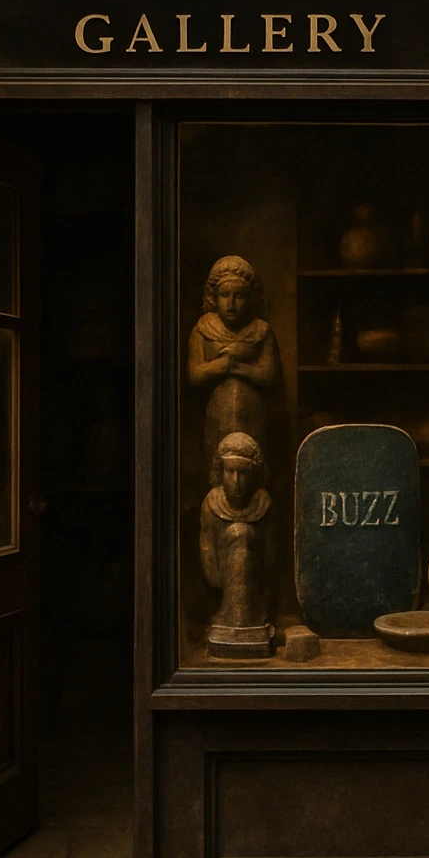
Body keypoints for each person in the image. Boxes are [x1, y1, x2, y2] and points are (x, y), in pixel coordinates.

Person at [186, 255, 281, 458]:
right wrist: (223, 364)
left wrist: (236, 366)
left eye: (238, 296)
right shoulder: (203, 330)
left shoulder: (261, 331)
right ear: (214, 297)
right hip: (216, 415)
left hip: (253, 414)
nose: (231, 303)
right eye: (224, 295)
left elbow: (270, 376)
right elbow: (194, 375)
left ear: (250, 299)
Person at [199, 431, 273, 654]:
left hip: (256, 591)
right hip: (223, 586)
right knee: (238, 533)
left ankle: (248, 619)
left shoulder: (263, 503)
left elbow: (270, 555)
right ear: (220, 472)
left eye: (243, 473)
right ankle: (231, 617)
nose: (236, 481)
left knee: (241, 533)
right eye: (230, 472)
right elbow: (208, 551)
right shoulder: (212, 503)